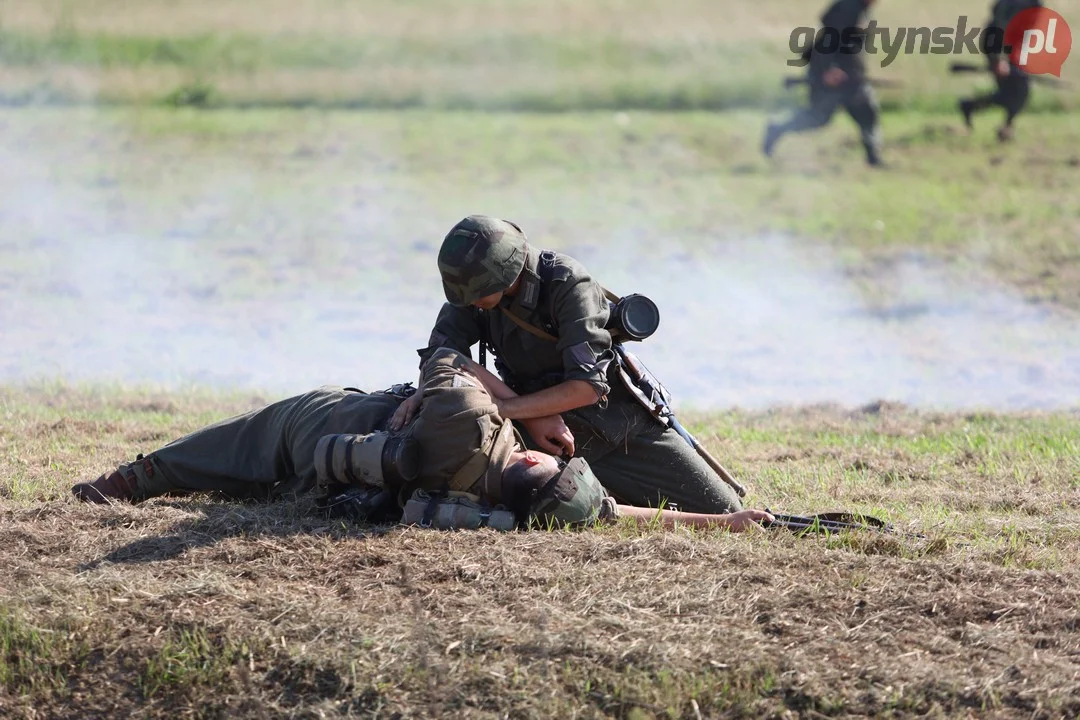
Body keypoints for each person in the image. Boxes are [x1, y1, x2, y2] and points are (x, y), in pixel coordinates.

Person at [71, 347, 773, 533]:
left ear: (532, 457)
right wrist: (725, 521)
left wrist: (523, 408)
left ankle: (130, 479)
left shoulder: (471, 425)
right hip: (328, 486)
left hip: (325, 427)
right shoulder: (517, 509)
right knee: (248, 476)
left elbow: (447, 363)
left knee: (237, 445)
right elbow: (617, 515)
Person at [392, 215, 746, 517]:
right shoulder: (474, 292)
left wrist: (506, 408)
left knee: (722, 510)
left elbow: (586, 387)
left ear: (504, 275)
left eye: (473, 294)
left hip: (615, 429)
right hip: (538, 434)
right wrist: (427, 391)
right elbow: (441, 357)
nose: (466, 302)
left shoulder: (566, 283)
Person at [763, 0, 883, 167]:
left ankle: (874, 159)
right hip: (831, 74)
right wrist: (830, 68)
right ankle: (776, 129)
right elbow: (829, 39)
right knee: (817, 118)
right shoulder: (847, 8)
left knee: (867, 112)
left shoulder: (861, 9)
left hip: (850, 75)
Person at [959, 0, 1043, 142]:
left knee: (1015, 89)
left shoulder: (1035, 4)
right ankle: (1005, 127)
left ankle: (971, 106)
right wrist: (999, 59)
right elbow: (999, 25)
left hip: (1013, 47)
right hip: (996, 44)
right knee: (1017, 89)